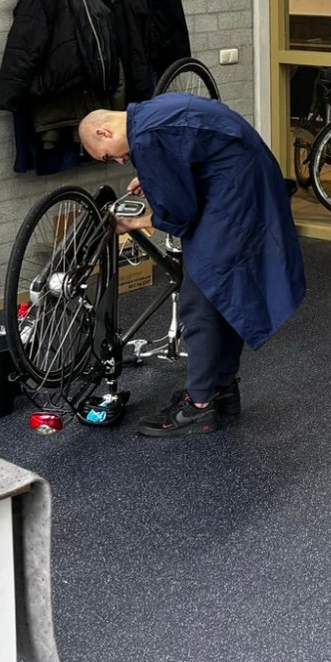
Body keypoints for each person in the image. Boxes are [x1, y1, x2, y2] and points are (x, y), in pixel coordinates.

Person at [77, 92, 306, 436]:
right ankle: (222, 388)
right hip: (249, 180)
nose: (120, 161)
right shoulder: (150, 113)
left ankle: (197, 407)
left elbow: (181, 212)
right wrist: (154, 176)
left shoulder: (147, 137)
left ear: (104, 133)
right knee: (225, 295)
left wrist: (136, 222)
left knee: (200, 299)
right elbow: (190, 151)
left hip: (233, 196)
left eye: (109, 155)